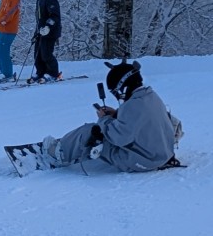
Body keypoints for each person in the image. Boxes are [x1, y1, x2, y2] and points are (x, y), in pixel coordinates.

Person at [11, 61, 181, 173]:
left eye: (115, 92)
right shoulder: (149, 96)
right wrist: (117, 114)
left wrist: (104, 119)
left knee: (90, 131)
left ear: (122, 87)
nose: (117, 96)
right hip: (161, 154)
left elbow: (118, 138)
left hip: (142, 160)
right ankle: (66, 146)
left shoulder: (133, 106)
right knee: (102, 128)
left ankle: (58, 153)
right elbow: (141, 122)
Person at [32, 0, 62, 81]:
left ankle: (53, 73)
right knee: (37, 54)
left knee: (46, 54)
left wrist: (48, 26)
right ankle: (41, 72)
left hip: (50, 32)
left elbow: (54, 16)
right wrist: (37, 32)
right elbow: (40, 19)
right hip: (41, 31)